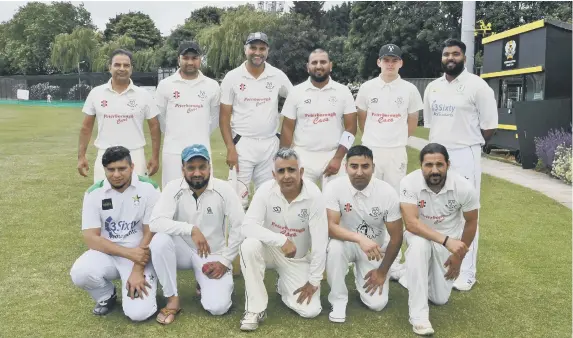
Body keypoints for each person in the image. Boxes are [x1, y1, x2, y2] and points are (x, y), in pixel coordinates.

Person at [423, 38, 498, 291]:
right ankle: (437, 266)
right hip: (436, 157)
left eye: (455, 54)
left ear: (464, 58)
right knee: (437, 211)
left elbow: (489, 128)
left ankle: (466, 271)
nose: (450, 58)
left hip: (465, 154)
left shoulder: (478, 86)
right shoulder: (432, 87)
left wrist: (467, 143)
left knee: (467, 214)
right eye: (446, 54)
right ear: (442, 58)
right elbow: (431, 124)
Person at [148, 144, 244, 324]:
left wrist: (225, 261)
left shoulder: (224, 189)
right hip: (182, 250)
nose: (197, 173)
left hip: (212, 254)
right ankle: (172, 298)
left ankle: (204, 283)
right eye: (191, 168)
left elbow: (240, 225)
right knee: (159, 241)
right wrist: (190, 229)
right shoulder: (172, 187)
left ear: (209, 167)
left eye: (202, 167)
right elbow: (155, 222)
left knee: (218, 308)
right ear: (183, 169)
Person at [238, 148, 328, 331]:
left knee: (311, 310)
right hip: (269, 250)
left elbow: (320, 241)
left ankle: (283, 286)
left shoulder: (314, 195)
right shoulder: (265, 190)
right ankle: (255, 310)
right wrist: (281, 240)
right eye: (281, 171)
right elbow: (247, 226)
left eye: (291, 170)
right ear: (274, 174)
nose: (287, 176)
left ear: (301, 172)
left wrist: (314, 280)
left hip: (297, 258)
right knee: (249, 245)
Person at [355, 43, 423, 280]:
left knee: (393, 204)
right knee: (367, 200)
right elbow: (363, 120)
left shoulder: (410, 90)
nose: (390, 64)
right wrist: (375, 139)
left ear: (400, 63)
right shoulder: (367, 87)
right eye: (386, 60)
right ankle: (365, 253)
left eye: (395, 60)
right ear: (379, 62)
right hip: (372, 151)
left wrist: (399, 140)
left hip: (396, 152)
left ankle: (393, 261)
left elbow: (412, 121)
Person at [70, 146, 161, 321]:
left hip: (142, 254)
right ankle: (106, 295)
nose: (116, 175)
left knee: (138, 314)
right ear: (104, 169)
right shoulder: (93, 193)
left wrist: (137, 267)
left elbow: (151, 232)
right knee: (80, 272)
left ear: (132, 167)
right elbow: (91, 238)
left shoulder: (149, 188)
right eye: (111, 170)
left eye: (122, 169)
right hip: (110, 254)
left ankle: (143, 286)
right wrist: (128, 253)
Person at [398, 143, 479, 335]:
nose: (434, 170)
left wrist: (459, 257)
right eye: (428, 165)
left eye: (439, 165)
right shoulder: (409, 183)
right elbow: (411, 223)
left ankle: (409, 273)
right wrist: (446, 240)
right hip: (420, 236)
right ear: (421, 166)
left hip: (447, 244)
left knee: (440, 299)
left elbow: (471, 222)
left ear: (448, 165)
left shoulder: (464, 187)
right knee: (419, 246)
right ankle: (418, 316)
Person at [323, 145, 403, 323]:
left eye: (365, 166)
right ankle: (338, 300)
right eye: (354, 166)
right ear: (346, 167)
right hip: (345, 243)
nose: (359, 172)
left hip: (373, 249)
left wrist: (382, 272)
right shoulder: (333, 187)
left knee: (377, 304)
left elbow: (397, 237)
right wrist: (360, 239)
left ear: (373, 167)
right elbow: (330, 227)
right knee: (335, 247)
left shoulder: (387, 192)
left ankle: (365, 280)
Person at [220, 32, 293, 209]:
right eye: (253, 48)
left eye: (262, 48)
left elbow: (295, 100)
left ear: (267, 51)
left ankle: (265, 237)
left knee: (269, 198)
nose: (257, 52)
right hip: (242, 144)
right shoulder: (232, 77)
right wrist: (230, 148)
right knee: (238, 201)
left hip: (270, 145)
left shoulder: (277, 76)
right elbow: (224, 117)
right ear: (246, 49)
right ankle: (239, 237)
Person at [77, 49, 161, 183]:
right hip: (105, 153)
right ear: (110, 67)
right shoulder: (96, 93)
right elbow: (86, 128)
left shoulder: (143, 95)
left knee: (137, 200)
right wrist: (81, 157)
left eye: (126, 65)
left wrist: (155, 157)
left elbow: (155, 127)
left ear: (131, 68)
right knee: (104, 200)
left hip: (135, 154)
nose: (122, 68)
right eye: (117, 65)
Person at [280, 49, 357, 188]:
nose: (319, 66)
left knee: (334, 204)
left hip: (333, 154)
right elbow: (287, 128)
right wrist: (284, 159)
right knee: (302, 203)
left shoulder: (343, 91)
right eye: (314, 62)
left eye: (323, 62)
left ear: (330, 65)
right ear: (307, 67)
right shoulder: (296, 92)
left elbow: (351, 128)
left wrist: (338, 158)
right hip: (303, 155)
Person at [155, 41, 221, 188]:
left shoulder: (212, 86)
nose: (190, 62)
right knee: (172, 193)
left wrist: (200, 133)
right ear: (179, 59)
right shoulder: (166, 85)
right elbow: (160, 117)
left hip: (202, 150)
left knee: (203, 191)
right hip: (173, 151)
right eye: (185, 58)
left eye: (194, 58)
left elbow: (215, 118)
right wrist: (175, 133)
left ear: (200, 59)